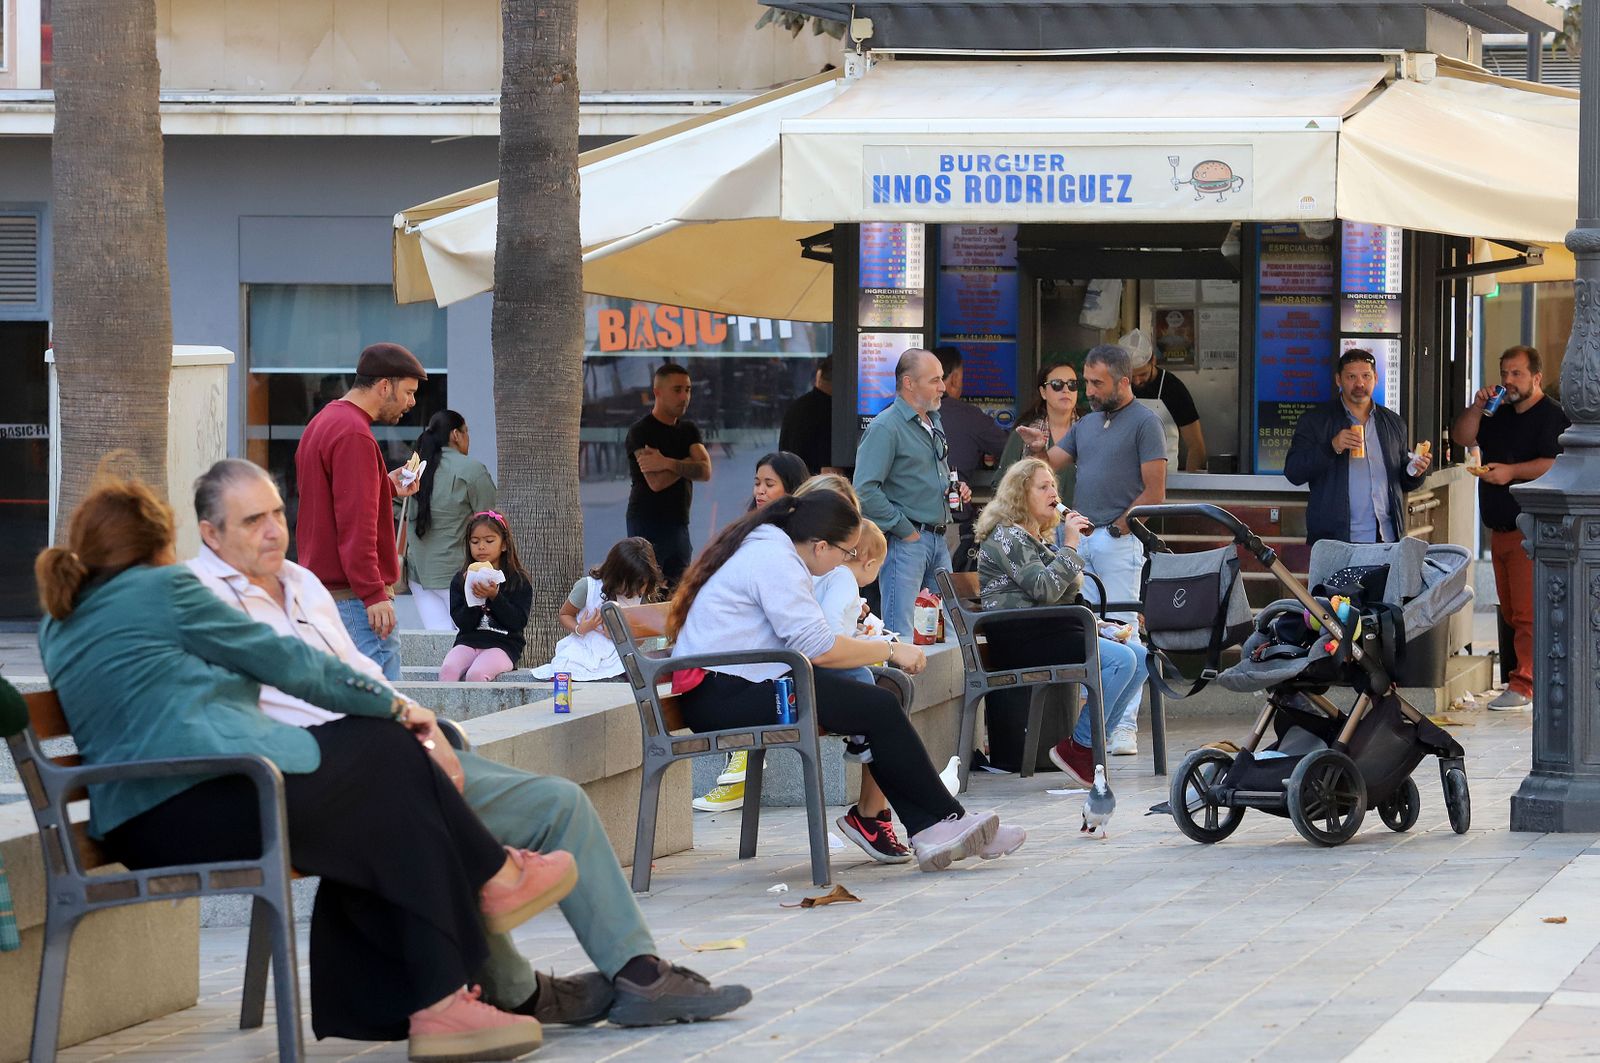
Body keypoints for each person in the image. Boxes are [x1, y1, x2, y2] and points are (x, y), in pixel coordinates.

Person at [184, 458, 752, 1030]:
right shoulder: (197, 597)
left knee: (560, 802)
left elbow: (361, 673)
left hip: (392, 752)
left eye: (278, 514)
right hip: (321, 781)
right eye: (253, 520)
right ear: (211, 533)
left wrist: (415, 721)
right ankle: (519, 992)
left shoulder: (302, 582)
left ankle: (639, 976)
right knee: (439, 831)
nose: (274, 530)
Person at [37, 465, 578, 1059]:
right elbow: (286, 662)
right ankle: (485, 896)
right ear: (164, 542)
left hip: (142, 820)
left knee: (383, 799)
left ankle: (445, 993)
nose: (272, 529)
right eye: (253, 519)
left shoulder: (62, 618)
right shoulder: (162, 591)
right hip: (196, 803)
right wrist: (396, 705)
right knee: (386, 748)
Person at [667, 489, 1024, 871]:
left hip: (744, 681)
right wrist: (890, 651)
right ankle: (938, 823)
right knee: (878, 705)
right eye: (847, 551)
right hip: (722, 694)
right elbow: (819, 648)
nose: (847, 561)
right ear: (821, 546)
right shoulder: (774, 558)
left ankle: (932, 824)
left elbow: (809, 642)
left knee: (881, 696)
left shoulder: (773, 547)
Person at [1022, 343, 1166, 757]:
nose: (1088, 390)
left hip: (1119, 540)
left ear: (1124, 381)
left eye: (1096, 383)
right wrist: (1034, 448)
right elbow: (1051, 464)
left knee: (1123, 629)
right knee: (1087, 630)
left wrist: (1118, 529)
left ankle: (1122, 727)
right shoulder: (1088, 424)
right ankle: (1094, 724)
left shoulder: (1145, 422)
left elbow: (1155, 492)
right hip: (1080, 535)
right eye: (1087, 381)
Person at [974, 459, 1149, 785]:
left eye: (1053, 485)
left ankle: (1089, 748)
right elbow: (1045, 588)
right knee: (1121, 660)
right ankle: (1080, 747)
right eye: (1043, 487)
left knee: (1141, 659)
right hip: (1020, 636)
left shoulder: (1036, 538)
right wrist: (1070, 544)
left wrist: (1098, 626)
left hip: (1044, 629)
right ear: (1019, 495)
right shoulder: (1007, 536)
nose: (1053, 492)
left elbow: (1065, 598)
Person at [296, 341, 428, 681]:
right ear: (385, 386)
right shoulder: (355, 434)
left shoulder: (324, 422)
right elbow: (356, 526)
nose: (411, 404)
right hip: (356, 599)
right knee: (384, 710)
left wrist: (384, 486)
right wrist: (373, 593)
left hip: (327, 594)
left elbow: (329, 503)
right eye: (409, 392)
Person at [1450, 344, 1569, 711]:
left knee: (1528, 611)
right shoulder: (1496, 412)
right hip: (1498, 527)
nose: (1508, 381)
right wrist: (1475, 405)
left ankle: (1525, 683)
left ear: (1536, 377)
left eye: (1516, 374)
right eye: (1504, 374)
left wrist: (1512, 473)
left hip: (1530, 526)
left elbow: (1557, 464)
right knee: (1510, 611)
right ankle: (1525, 676)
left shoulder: (1552, 416)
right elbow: (1462, 438)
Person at [696, 450, 814, 812]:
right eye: (757, 483)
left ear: (792, 489)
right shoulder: (754, 532)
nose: (760, 491)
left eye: (769, 484)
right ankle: (740, 765)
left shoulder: (800, 533)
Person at [807, 516, 915, 863]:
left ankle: (874, 809)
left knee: (890, 686)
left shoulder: (826, 575)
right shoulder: (843, 580)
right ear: (869, 564)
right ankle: (863, 740)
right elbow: (830, 633)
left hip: (815, 668)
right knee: (869, 685)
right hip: (827, 671)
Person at [853, 348, 970, 640]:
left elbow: (924, 476)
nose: (943, 387)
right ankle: (903, 687)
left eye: (941, 379)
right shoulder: (886, 426)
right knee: (902, 632)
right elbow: (864, 490)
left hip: (938, 537)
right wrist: (904, 529)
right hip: (907, 541)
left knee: (948, 630)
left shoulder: (933, 419)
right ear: (908, 383)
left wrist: (955, 489)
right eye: (934, 380)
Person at [1283, 347, 1431, 546]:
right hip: (1336, 542)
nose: (1360, 383)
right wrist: (1332, 446)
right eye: (1351, 376)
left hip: (1386, 538)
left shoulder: (1394, 423)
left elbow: (1401, 481)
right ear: (1339, 380)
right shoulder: (1316, 421)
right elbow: (1294, 472)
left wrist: (1415, 471)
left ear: (1376, 378)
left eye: (1366, 376)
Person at [406, 410, 497, 631]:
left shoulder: (415, 469)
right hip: (459, 575)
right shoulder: (471, 470)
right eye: (467, 432)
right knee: (469, 643)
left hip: (419, 573)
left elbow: (396, 506)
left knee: (439, 643)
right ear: (456, 434)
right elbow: (491, 520)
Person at [625, 362, 712, 588]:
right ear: (657, 392)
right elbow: (656, 482)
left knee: (679, 593)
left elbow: (705, 471)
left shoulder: (689, 430)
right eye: (677, 390)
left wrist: (666, 462)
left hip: (679, 523)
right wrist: (687, 462)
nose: (684, 396)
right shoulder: (641, 431)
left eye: (688, 389)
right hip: (647, 523)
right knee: (646, 590)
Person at [535, 537, 665, 682]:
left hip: (619, 654)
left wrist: (620, 635)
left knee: (637, 672)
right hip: (584, 647)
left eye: (641, 583)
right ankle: (563, 704)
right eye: (629, 584)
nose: (635, 590)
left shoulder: (642, 598)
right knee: (564, 670)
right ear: (614, 574)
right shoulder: (588, 587)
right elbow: (565, 614)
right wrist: (580, 628)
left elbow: (640, 640)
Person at [933, 345, 1011, 572]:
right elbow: (1009, 448)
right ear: (955, 378)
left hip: (905, 528)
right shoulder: (968, 416)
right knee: (947, 594)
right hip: (951, 524)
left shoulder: (895, 414)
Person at [440, 511, 533, 682]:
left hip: (503, 645)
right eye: (475, 542)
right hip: (468, 641)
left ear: (504, 544)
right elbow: (462, 623)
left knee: (476, 674)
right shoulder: (461, 579)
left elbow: (518, 622)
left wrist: (495, 596)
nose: (481, 546)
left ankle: (478, 710)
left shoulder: (517, 580)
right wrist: (475, 598)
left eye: (489, 541)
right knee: (448, 670)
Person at [998, 360, 1081, 531]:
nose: (1066, 390)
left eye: (1072, 384)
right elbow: (1002, 485)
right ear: (1043, 392)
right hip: (1035, 529)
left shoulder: (1090, 431)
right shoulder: (1025, 434)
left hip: (1081, 528)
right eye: (1057, 385)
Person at [1125, 328, 1207, 472]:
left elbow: (1196, 445)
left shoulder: (1173, 389)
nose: (1137, 381)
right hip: (1126, 478)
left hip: (1166, 478)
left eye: (1143, 374)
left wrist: (1189, 486)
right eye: (1132, 375)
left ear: (1154, 361)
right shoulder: (1120, 386)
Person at [778, 355, 834, 476]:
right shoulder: (831, 413)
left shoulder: (798, 406)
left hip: (794, 485)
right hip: (815, 489)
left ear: (819, 375)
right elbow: (830, 473)